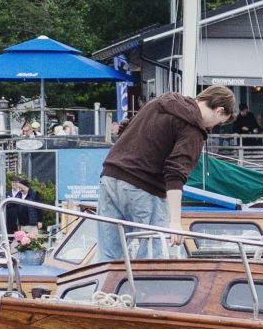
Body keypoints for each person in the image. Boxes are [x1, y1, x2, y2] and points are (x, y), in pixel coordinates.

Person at [97, 85, 235, 261]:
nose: (214, 127)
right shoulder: (193, 128)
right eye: (220, 122)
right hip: (144, 187)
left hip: (110, 176)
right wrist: (175, 222)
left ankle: (103, 288)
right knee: (151, 257)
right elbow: (176, 172)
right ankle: (146, 288)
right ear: (219, 110)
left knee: (108, 257)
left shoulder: (159, 102)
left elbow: (126, 127)